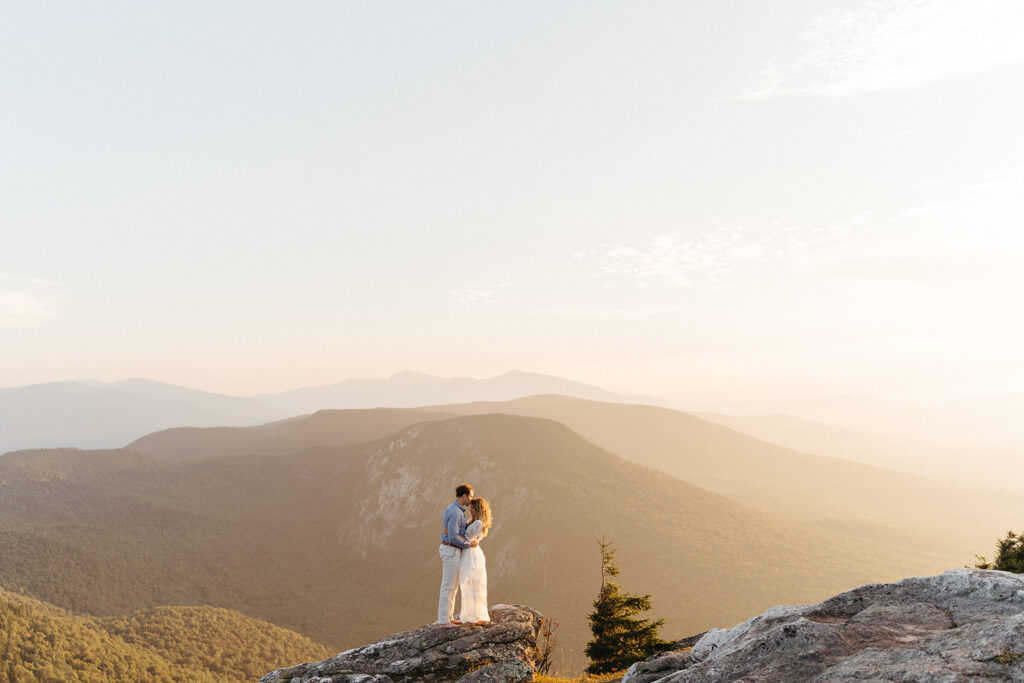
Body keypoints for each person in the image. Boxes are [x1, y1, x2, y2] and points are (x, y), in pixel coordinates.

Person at [438, 483, 476, 628]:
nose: (471, 500)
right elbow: (453, 537)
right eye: (470, 496)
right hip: (451, 549)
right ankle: (444, 621)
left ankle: (448, 617)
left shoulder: (454, 510)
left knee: (453, 586)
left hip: (450, 549)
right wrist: (468, 544)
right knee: (448, 585)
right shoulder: (455, 512)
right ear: (464, 496)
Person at [457, 497, 491, 625]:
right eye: (470, 507)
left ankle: (477, 615)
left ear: (478, 509)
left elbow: (467, 539)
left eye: (472, 507)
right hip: (468, 552)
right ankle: (470, 614)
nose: (470, 509)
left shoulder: (477, 524)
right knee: (467, 584)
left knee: (474, 583)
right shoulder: (472, 521)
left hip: (472, 555)